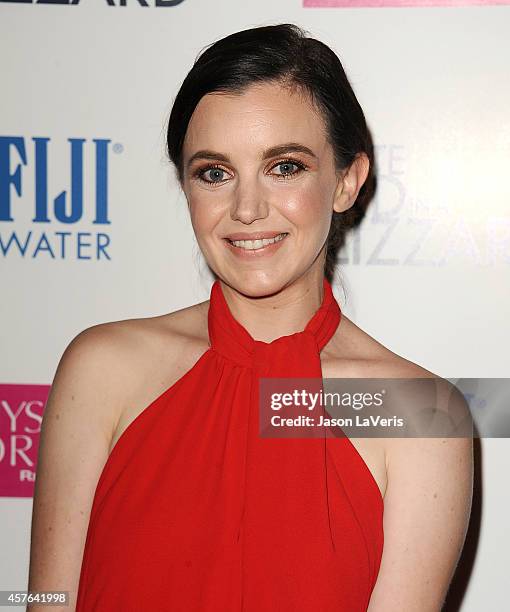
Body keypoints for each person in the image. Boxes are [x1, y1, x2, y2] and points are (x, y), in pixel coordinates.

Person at [27, 23, 473, 611]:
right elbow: (48, 602)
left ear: (346, 179)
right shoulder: (102, 369)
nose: (246, 208)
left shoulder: (421, 415)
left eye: (284, 166)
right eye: (215, 172)